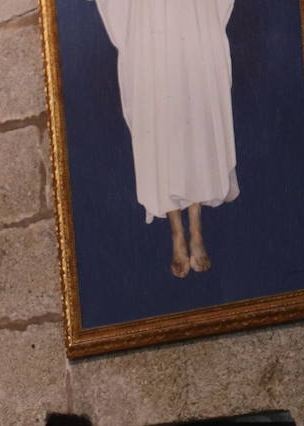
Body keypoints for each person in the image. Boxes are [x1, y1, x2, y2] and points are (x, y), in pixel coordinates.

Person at [92, 0, 239, 277]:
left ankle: (195, 226)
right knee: (161, 116)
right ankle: (176, 231)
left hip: (190, 15)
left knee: (193, 107)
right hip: (149, 23)